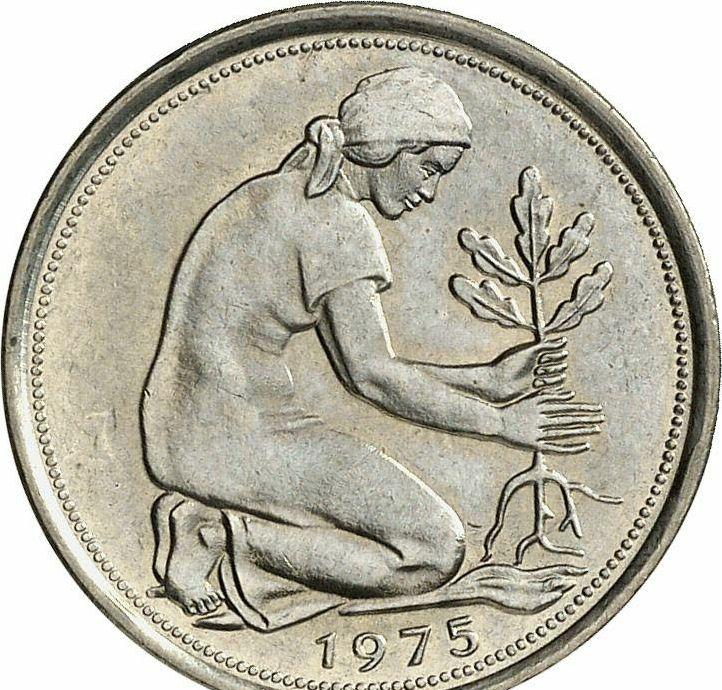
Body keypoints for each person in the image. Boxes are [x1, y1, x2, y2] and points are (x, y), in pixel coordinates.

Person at [141, 68, 600, 629]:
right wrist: (502, 423)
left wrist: (488, 380)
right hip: (236, 439)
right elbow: (372, 376)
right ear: (389, 148)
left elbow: (365, 364)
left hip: (187, 429)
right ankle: (213, 533)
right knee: (431, 551)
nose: (429, 191)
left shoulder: (280, 191)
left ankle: (215, 529)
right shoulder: (336, 221)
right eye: (430, 168)